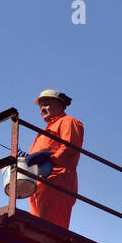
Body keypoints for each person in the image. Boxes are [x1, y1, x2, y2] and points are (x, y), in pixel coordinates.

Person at [26, 89, 83, 230]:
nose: (42, 109)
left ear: (60, 105)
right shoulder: (43, 133)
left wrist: (49, 157)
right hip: (38, 182)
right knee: (36, 225)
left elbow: (69, 149)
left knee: (51, 229)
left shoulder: (69, 121)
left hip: (58, 179)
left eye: (46, 104)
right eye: (40, 106)